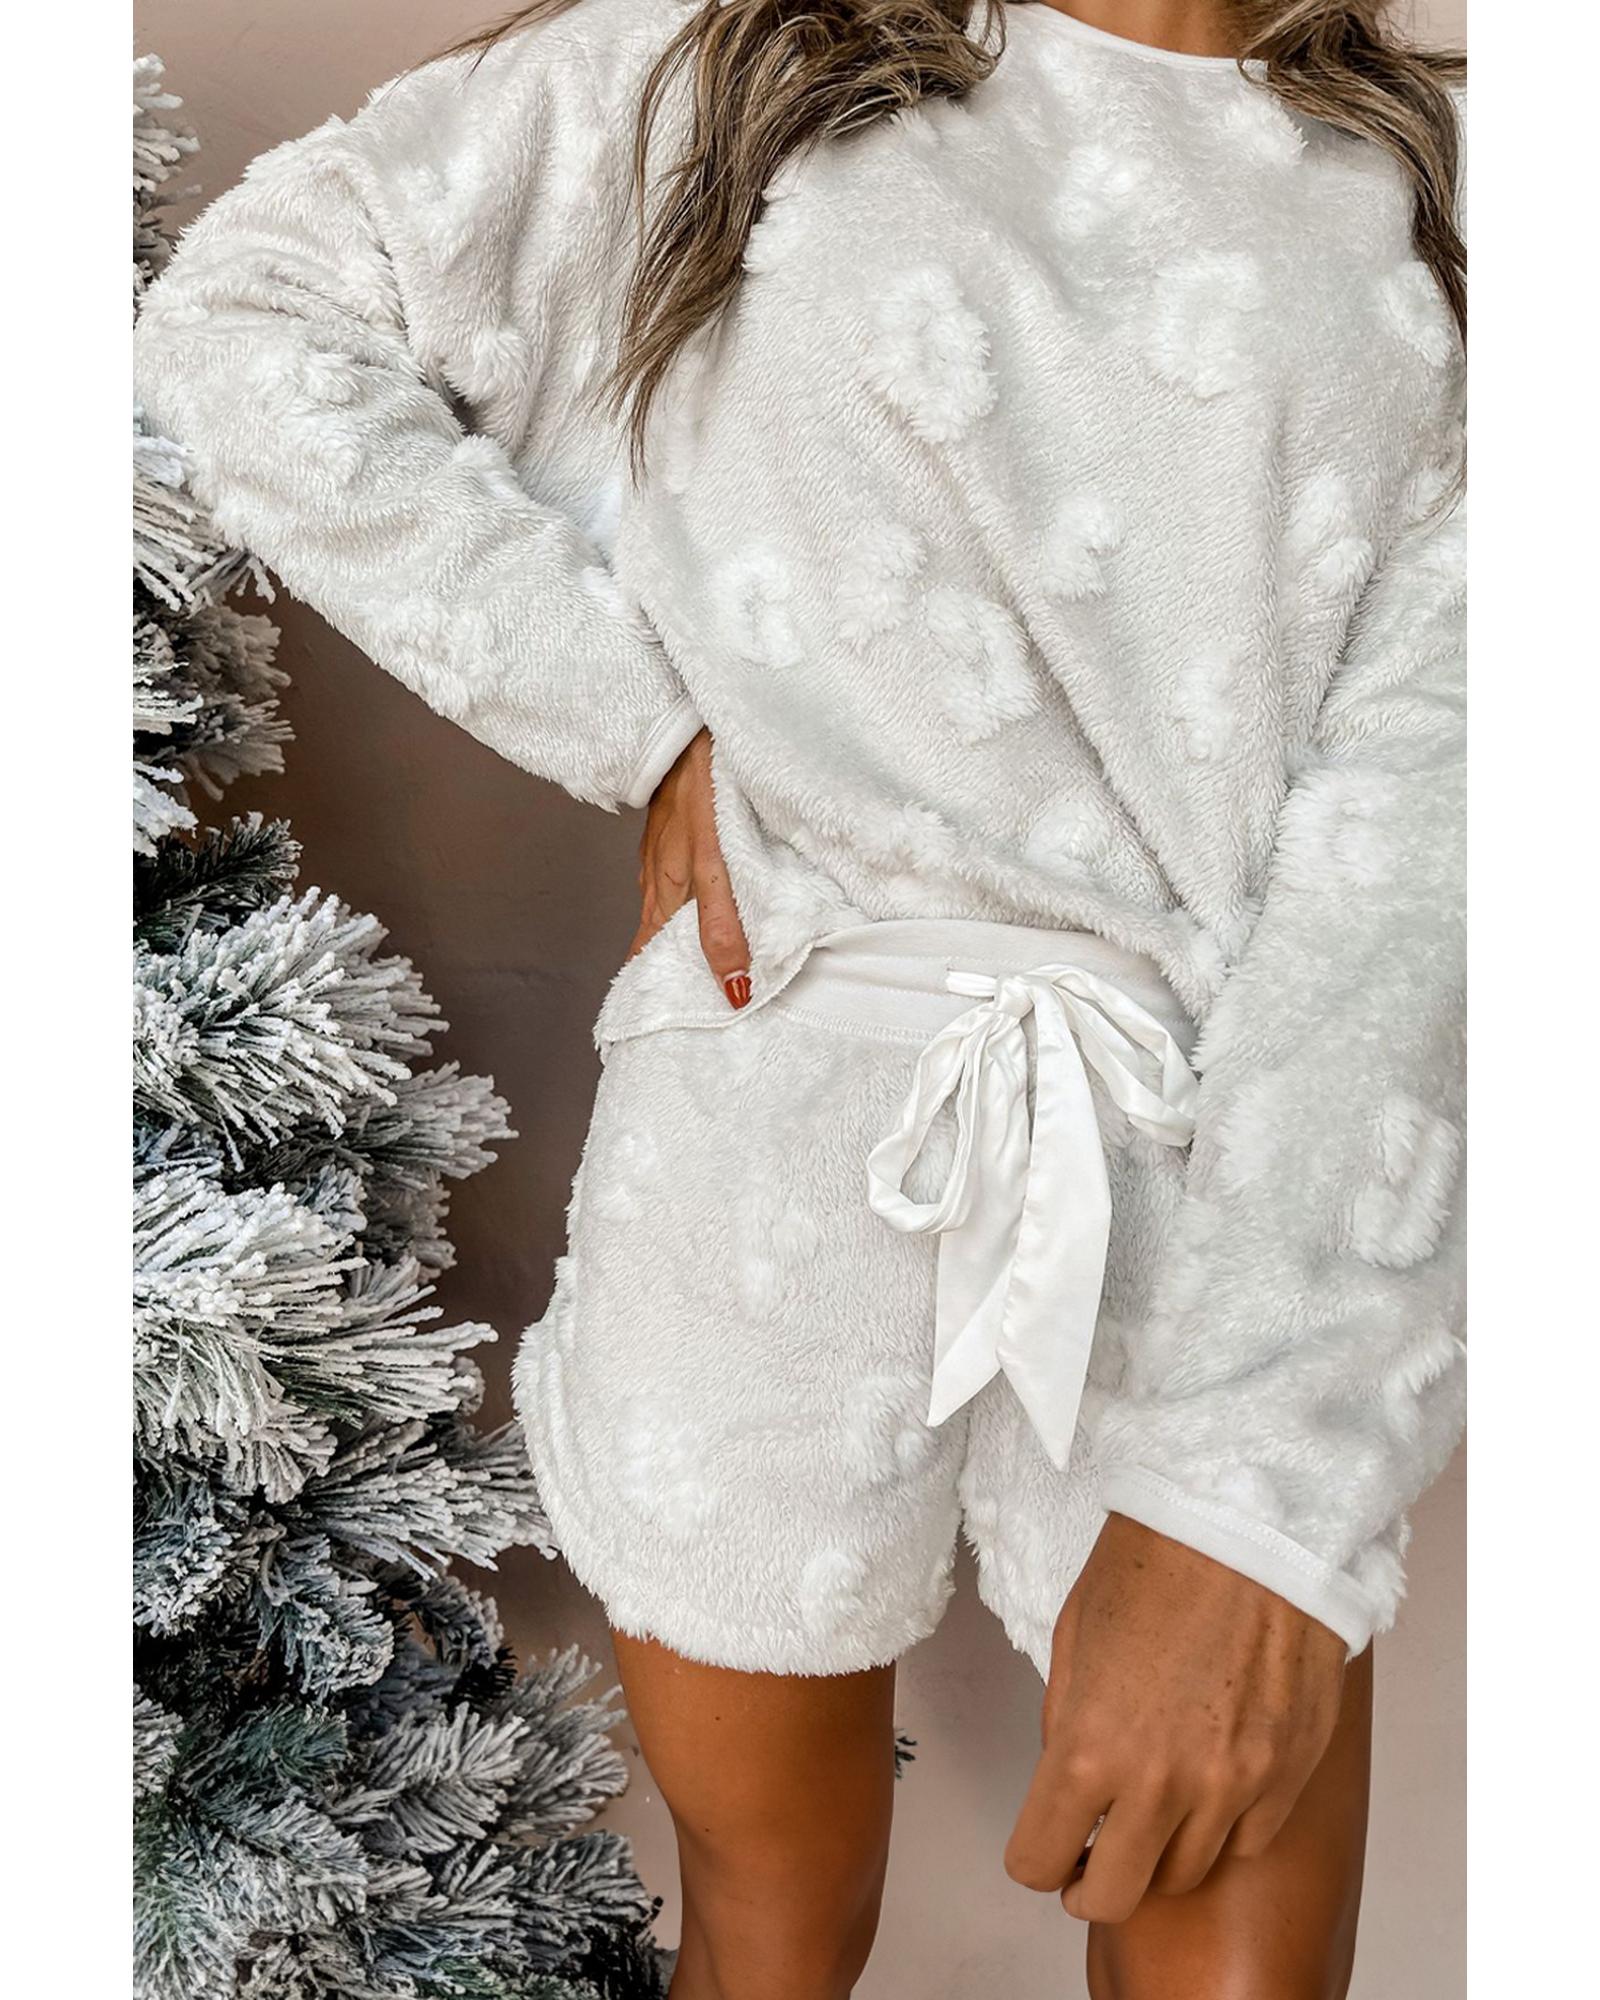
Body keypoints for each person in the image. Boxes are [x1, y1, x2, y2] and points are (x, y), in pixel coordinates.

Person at [132, 2, 1467, 1993]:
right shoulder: (746, 60)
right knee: (768, 1923)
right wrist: (637, 719)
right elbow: (248, 316)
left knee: (1230, 1914)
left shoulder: (1453, 196)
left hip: (1217, 1163)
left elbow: (1431, 861)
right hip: (763, 1108)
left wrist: (1258, 1486)